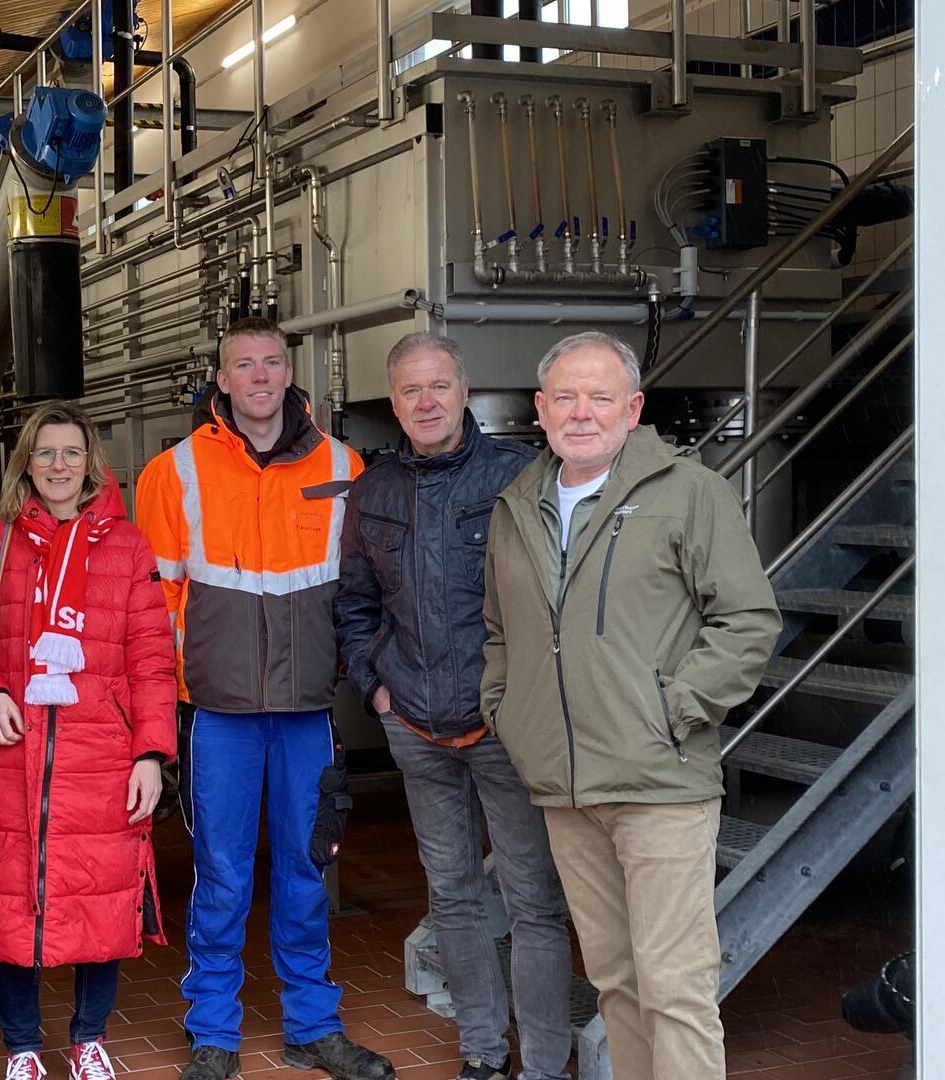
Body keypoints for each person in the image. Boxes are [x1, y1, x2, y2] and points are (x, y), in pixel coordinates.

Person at [481, 331, 780, 1080]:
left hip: (660, 782)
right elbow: (498, 632)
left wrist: (676, 709)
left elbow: (746, 620)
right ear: (541, 409)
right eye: (567, 397)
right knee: (616, 982)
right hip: (565, 786)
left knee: (674, 988)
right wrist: (508, 714)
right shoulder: (517, 504)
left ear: (633, 407)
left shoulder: (689, 492)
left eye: (601, 396)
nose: (583, 412)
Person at [135, 317, 394, 1080]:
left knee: (308, 873)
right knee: (220, 877)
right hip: (219, 716)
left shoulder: (343, 466)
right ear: (221, 380)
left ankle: (311, 1026)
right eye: (241, 364)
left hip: (308, 714)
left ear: (290, 373)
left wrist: (354, 673)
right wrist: (181, 694)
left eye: (270, 363)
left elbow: (361, 593)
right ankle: (212, 1032)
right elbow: (155, 605)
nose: (257, 376)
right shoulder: (173, 473)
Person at [333, 334, 569, 1080]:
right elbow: (354, 606)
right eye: (410, 391)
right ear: (393, 402)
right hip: (415, 728)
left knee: (534, 905)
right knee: (454, 898)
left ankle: (543, 1062)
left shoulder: (520, 477)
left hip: (502, 728)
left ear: (463, 391)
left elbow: (552, 603)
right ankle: (482, 1053)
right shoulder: (372, 491)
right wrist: (377, 689)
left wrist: (524, 700)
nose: (425, 402)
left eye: (438, 386)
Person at [0, 401, 179, 1080]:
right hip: (12, 752)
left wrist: (150, 755)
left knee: (102, 897)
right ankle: (22, 1046)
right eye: (44, 453)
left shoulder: (129, 545)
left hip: (102, 754)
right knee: (8, 904)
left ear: (90, 463)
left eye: (71, 453)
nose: (58, 465)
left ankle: (87, 1039)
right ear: (26, 462)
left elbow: (152, 660)